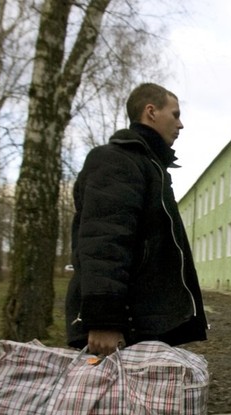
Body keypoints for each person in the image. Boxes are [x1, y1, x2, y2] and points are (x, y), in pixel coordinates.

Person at [65, 83, 207, 356]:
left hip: (140, 325)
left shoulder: (150, 167)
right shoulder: (117, 161)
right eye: (175, 114)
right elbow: (105, 241)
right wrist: (104, 320)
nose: (181, 124)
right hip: (121, 328)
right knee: (108, 386)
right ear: (151, 112)